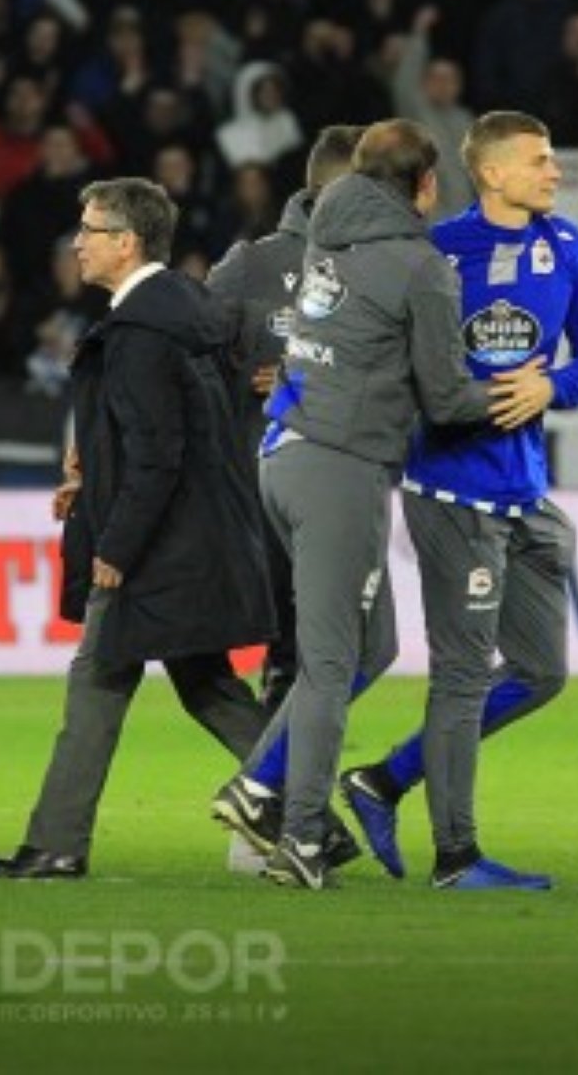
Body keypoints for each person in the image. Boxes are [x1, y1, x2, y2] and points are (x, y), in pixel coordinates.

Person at [213, 119, 550, 890]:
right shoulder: (420, 266)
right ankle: (297, 838)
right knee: (332, 663)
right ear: (426, 186)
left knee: (374, 645)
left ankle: (260, 784)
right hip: (342, 468)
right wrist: (523, 390)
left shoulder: (327, 237)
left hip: (286, 453)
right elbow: (445, 395)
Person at [336, 112, 578, 890]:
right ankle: (456, 857)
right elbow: (393, 364)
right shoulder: (439, 252)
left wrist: (551, 385)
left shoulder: (566, 245)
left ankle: (384, 780)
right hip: (452, 491)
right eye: (541, 159)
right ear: (492, 174)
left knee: (540, 671)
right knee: (461, 676)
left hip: (526, 489)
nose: (554, 172)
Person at [0, 178, 274, 880]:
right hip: (206, 535)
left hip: (156, 546)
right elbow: (179, 426)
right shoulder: (194, 308)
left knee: (98, 683)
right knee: (208, 688)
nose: (77, 242)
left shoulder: (138, 330)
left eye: (90, 229)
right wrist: (90, 472)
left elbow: (158, 452)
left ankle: (56, 844)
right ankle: (310, 816)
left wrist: (116, 547)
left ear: (127, 242)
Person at [205, 124, 364, 715]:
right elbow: (187, 360)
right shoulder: (252, 267)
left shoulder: (389, 272)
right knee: (296, 658)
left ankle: (277, 785)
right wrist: (235, 379)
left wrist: (314, 379)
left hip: (353, 487)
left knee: (339, 656)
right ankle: (279, 787)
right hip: (264, 493)